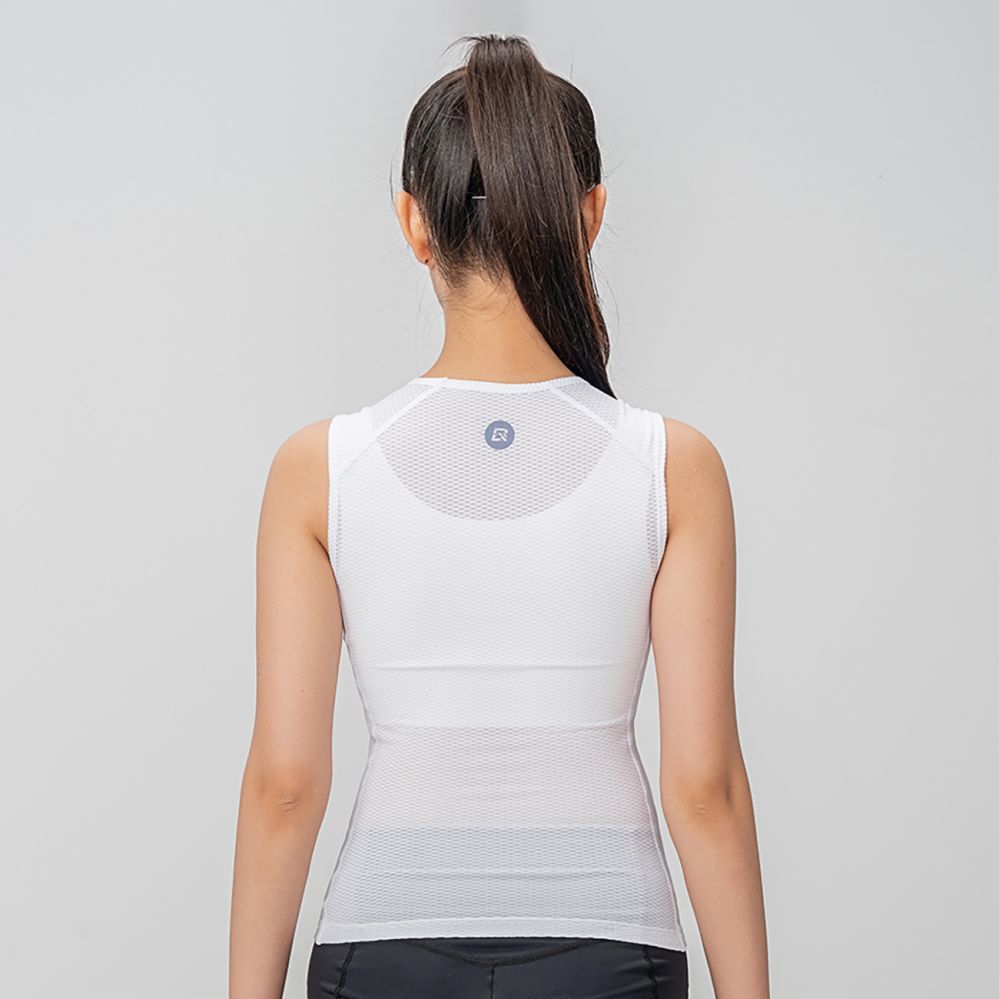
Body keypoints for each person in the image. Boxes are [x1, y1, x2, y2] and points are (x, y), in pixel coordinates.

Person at [229, 33, 769, 999]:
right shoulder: (671, 467)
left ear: (413, 222)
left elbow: (285, 785)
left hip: (383, 947)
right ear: (589, 216)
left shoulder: (319, 471)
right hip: (610, 952)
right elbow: (704, 788)